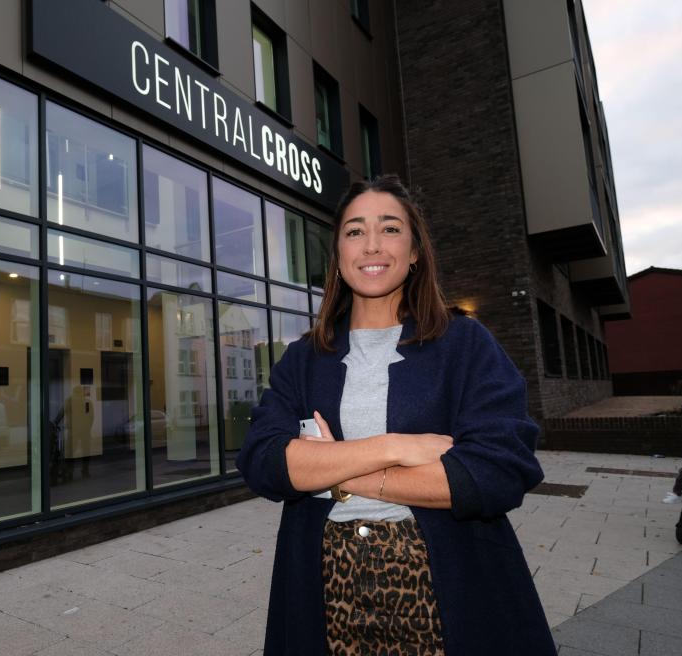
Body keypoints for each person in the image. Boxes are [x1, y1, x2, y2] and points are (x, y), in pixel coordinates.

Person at [237, 176, 556, 655]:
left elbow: (498, 470)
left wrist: (335, 473)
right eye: (354, 231)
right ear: (339, 254)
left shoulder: (464, 344)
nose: (371, 245)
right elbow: (263, 460)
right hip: (323, 595)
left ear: (413, 251)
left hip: (449, 591)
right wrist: (391, 448)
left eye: (389, 229)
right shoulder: (304, 357)